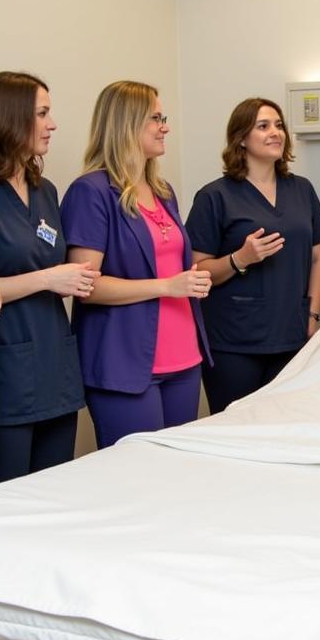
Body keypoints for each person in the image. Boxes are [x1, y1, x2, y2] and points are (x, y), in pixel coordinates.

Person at [0, 72, 96, 484]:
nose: (53, 124)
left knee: (55, 493)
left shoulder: (44, 188)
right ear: (10, 117)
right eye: (43, 114)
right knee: (6, 496)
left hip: (54, 369)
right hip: (6, 374)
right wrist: (48, 279)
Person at [59, 81, 211, 448]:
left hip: (183, 356)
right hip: (125, 362)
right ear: (126, 124)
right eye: (155, 118)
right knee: (135, 479)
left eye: (164, 118)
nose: (165, 127)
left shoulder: (162, 190)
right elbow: (86, 286)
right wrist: (165, 286)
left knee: (176, 472)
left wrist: (190, 281)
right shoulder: (92, 192)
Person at [186, 97, 320, 413]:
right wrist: (240, 258)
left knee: (283, 426)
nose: (275, 133)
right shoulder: (215, 196)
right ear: (240, 138)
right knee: (234, 427)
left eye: (279, 125)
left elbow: (319, 256)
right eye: (263, 126)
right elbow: (196, 270)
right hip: (233, 342)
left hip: (291, 334)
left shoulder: (301, 190)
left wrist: (312, 315)